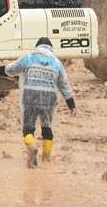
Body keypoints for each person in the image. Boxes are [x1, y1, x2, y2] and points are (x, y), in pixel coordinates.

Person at [5, 37, 76, 168]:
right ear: (50, 48)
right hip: (49, 99)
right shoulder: (56, 62)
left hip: (30, 97)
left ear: (37, 47)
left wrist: (7, 66)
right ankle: (46, 160)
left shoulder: (29, 57)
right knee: (47, 128)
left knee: (28, 128)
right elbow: (64, 85)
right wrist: (71, 105)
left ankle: (32, 147)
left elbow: (10, 70)